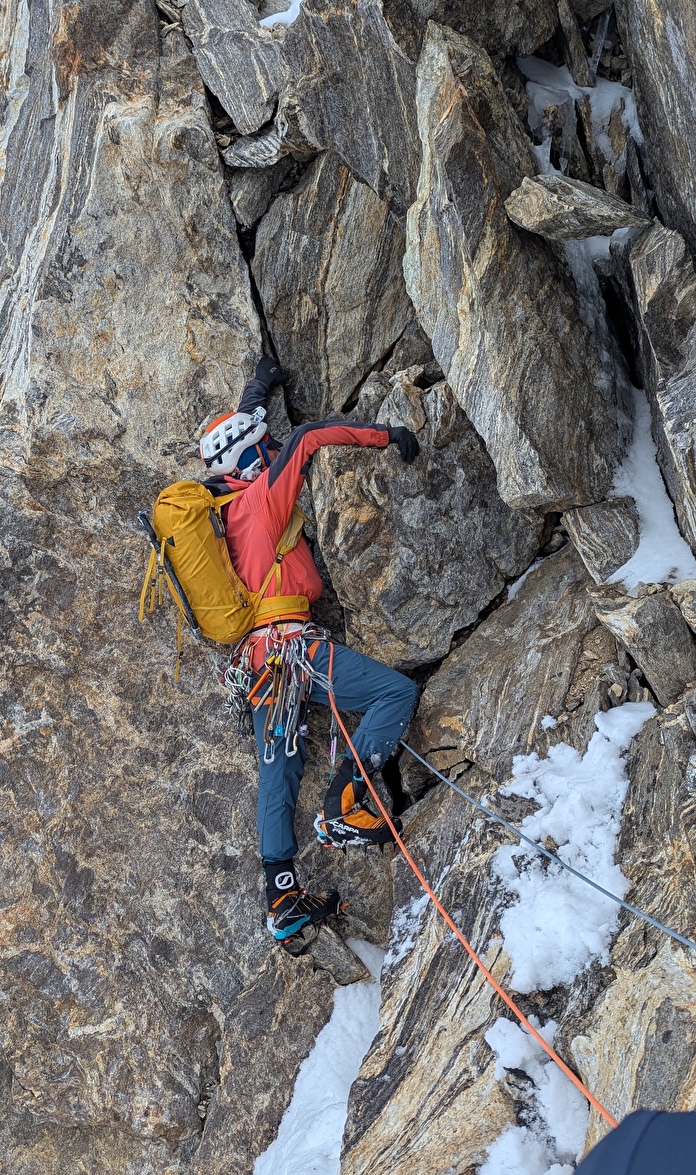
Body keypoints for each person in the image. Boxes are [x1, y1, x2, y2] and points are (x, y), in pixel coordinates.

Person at [200, 356, 420, 948]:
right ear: (252, 461)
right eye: (263, 448)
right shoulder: (263, 501)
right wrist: (387, 436)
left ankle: (281, 897)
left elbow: (250, 424)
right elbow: (310, 438)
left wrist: (262, 383)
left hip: (260, 666)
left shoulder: (229, 510)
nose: (271, 450)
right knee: (394, 692)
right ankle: (348, 804)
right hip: (294, 649)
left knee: (278, 774)